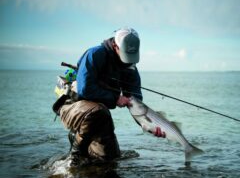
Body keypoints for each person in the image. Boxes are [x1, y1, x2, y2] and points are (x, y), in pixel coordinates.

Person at [57, 27, 165, 166]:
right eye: (125, 54)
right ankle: (75, 155)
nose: (128, 61)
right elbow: (85, 89)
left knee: (110, 161)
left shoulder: (130, 68)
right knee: (100, 111)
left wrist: (149, 125)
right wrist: (115, 99)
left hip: (100, 117)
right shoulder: (95, 54)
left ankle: (88, 150)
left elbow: (136, 104)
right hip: (72, 106)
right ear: (115, 46)